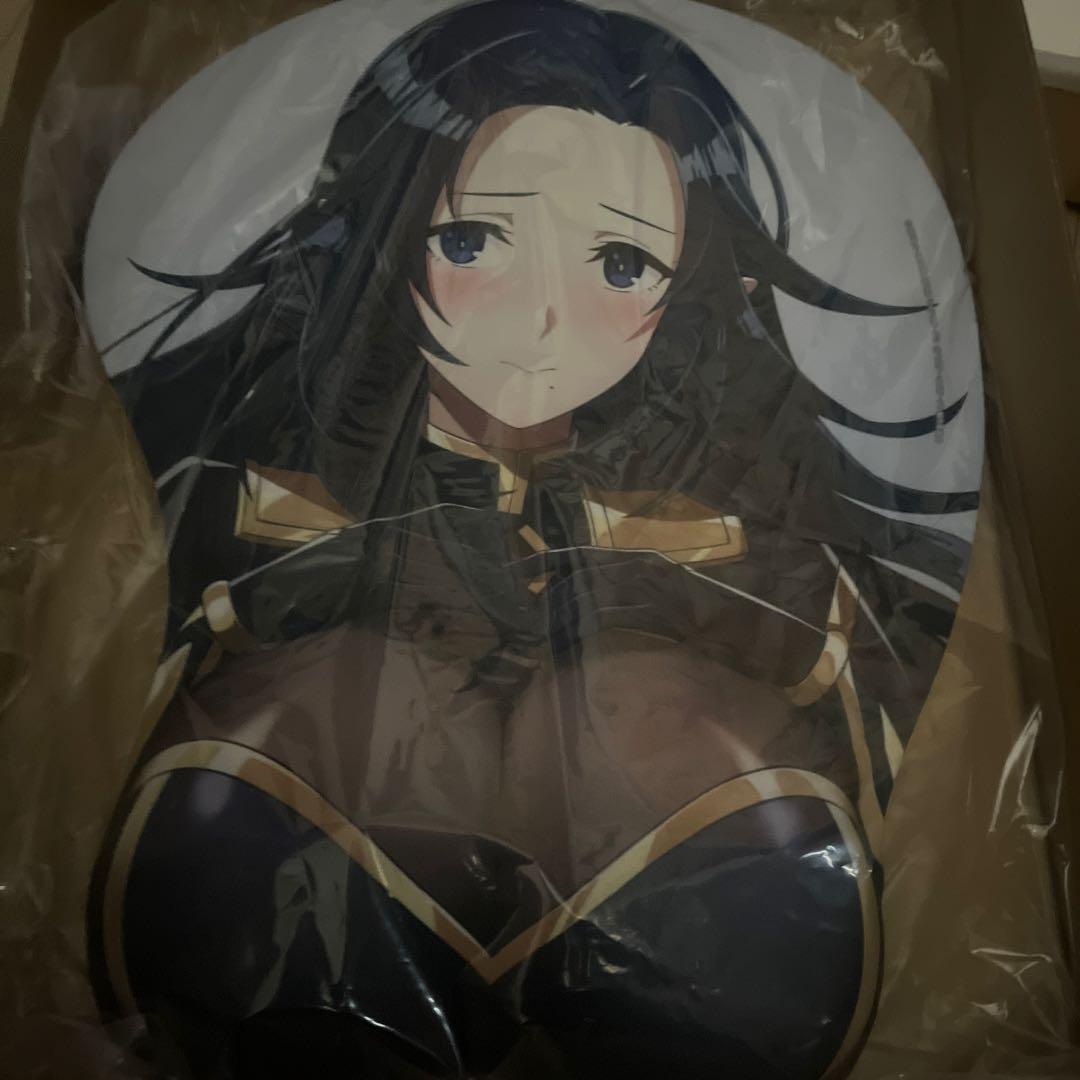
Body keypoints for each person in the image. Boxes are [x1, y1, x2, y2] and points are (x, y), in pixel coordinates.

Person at [88, 1, 979, 1077]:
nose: (542, 318)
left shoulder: (732, 466)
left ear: (701, 277)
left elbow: (837, 634)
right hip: (279, 969)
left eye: (621, 264)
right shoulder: (289, 445)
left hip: (694, 965)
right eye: (473, 243)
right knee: (360, 707)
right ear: (383, 238)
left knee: (642, 721)